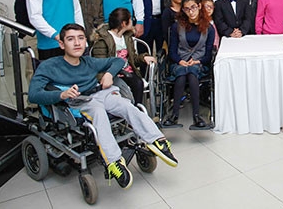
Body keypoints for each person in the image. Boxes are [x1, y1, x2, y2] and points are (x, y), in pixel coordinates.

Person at [28, 23, 177, 190]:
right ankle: (114, 162)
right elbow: (33, 95)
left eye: (80, 38)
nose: (77, 43)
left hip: (100, 94)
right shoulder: (49, 66)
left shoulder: (89, 62)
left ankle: (156, 140)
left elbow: (118, 61)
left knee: (126, 105)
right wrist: (60, 95)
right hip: (78, 101)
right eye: (71, 39)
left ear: (85, 42)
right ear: (62, 44)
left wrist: (108, 74)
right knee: (98, 112)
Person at [164, 0, 215, 128]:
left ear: (199, 6)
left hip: (199, 63)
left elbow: (208, 54)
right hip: (180, 62)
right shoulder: (177, 26)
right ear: (183, 10)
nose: (191, 12)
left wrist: (198, 61)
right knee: (182, 74)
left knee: (192, 73)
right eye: (187, 9)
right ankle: (174, 115)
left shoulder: (209, 28)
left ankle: (196, 116)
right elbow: (172, 51)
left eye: (193, 7)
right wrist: (179, 61)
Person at [91, 8, 156, 105]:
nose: (132, 22)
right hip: (112, 74)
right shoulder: (103, 40)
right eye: (130, 20)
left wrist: (143, 57)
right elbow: (100, 64)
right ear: (124, 23)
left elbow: (133, 59)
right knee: (130, 87)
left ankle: (137, 108)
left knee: (138, 83)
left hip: (128, 72)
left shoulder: (126, 38)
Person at [15, 0, 45, 81]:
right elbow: (20, 13)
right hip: (32, 34)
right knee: (31, 68)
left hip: (53, 34)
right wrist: (26, 34)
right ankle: (33, 94)